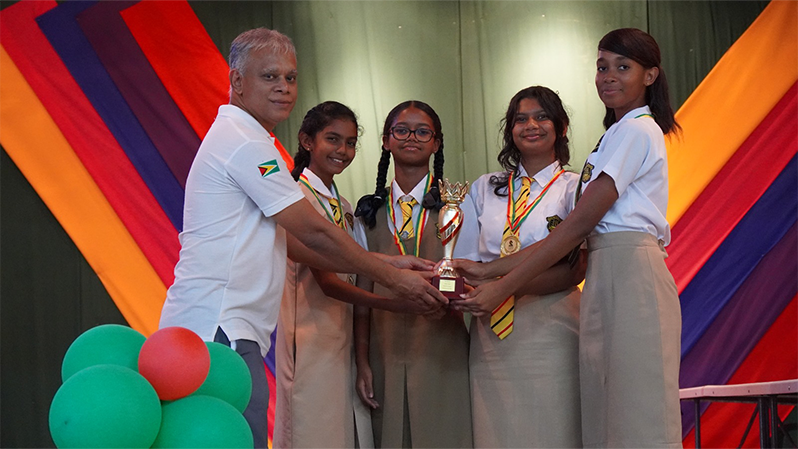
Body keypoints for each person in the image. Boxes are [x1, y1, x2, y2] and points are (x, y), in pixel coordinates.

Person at [159, 29, 446, 449]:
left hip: (231, 331)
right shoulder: (244, 142)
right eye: (270, 77)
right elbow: (310, 228)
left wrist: (392, 265)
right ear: (237, 82)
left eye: (290, 78)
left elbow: (290, 242)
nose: (283, 88)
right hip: (216, 330)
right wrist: (392, 278)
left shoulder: (254, 140)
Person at [451, 28, 682, 449]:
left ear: (650, 76)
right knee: (608, 415)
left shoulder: (637, 130)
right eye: (601, 67)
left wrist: (499, 284)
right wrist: (484, 269)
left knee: (639, 416)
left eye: (622, 67)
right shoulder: (614, 134)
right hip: (609, 271)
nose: (608, 76)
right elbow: (582, 227)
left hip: (628, 269)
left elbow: (577, 228)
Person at [275, 101, 430, 449]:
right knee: (313, 433)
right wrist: (397, 302)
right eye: (332, 139)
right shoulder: (295, 197)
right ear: (306, 141)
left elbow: (357, 263)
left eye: (350, 143)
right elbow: (329, 282)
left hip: (340, 340)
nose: (342, 151)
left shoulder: (343, 206)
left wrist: (394, 265)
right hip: (310, 338)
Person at [353, 101, 478, 449]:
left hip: (444, 353)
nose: (412, 138)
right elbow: (359, 299)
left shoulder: (460, 208)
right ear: (386, 140)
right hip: (384, 351)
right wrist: (362, 362)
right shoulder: (367, 213)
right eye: (401, 130)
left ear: (436, 143)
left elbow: (475, 278)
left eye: (423, 131)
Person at [465, 86, 585, 448]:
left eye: (541, 116)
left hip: (553, 327)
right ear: (510, 131)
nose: (530, 125)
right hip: (488, 331)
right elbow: (468, 262)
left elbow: (577, 268)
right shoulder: (485, 187)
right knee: (494, 433)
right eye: (521, 119)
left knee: (555, 429)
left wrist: (503, 287)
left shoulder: (575, 187)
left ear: (560, 127)